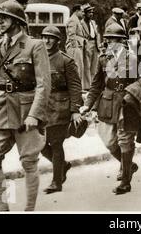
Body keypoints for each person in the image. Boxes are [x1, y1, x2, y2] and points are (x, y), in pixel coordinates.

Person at [0, 0, 51, 211]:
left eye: (4, 18)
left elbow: (43, 84)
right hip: (0, 110)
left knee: (28, 161)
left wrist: (34, 114)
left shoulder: (34, 45)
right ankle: (5, 206)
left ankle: (28, 209)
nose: (0, 22)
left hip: (25, 111)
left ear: (16, 21)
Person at [80, 23, 138, 184]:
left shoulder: (132, 58)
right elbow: (96, 84)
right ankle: (128, 165)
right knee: (108, 140)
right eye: (108, 40)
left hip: (126, 102)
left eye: (114, 39)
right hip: (107, 101)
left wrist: (136, 100)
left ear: (122, 41)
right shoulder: (103, 58)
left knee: (125, 139)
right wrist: (88, 104)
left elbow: (140, 82)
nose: (110, 43)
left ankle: (125, 175)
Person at [40, 25, 83, 194]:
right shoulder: (38, 58)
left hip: (60, 108)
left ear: (58, 41)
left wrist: (75, 110)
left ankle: (56, 182)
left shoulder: (66, 61)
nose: (47, 40)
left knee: (56, 143)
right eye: (44, 37)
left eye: (51, 38)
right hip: (42, 108)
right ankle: (62, 166)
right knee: (39, 144)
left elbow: (75, 87)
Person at [81, 3, 101, 90]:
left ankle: (93, 84)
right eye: (89, 12)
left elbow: (97, 34)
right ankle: (87, 86)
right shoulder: (81, 23)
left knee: (94, 65)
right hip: (87, 44)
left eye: (92, 12)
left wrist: (98, 44)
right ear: (85, 13)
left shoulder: (93, 22)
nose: (91, 14)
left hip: (94, 44)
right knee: (87, 66)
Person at [65, 4, 85, 84]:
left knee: (79, 67)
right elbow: (71, 34)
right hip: (74, 47)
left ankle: (78, 87)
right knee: (76, 68)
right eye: (82, 11)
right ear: (77, 11)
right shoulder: (73, 20)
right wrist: (75, 46)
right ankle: (76, 87)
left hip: (77, 47)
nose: (83, 13)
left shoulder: (76, 19)